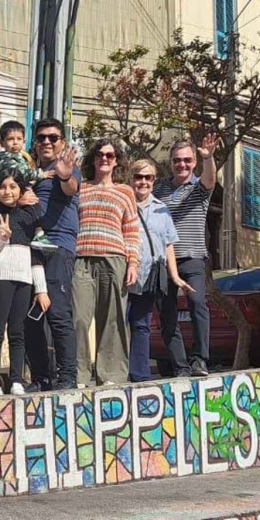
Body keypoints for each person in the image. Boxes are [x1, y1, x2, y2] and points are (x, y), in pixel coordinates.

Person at [73, 139, 142, 386]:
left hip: (115, 259)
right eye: (100, 154)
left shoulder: (125, 192)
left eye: (110, 155)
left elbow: (132, 230)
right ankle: (78, 374)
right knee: (79, 318)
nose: (105, 158)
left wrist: (133, 263)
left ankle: (110, 374)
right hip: (82, 259)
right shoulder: (80, 188)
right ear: (93, 159)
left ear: (117, 161)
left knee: (112, 319)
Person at [154, 134, 220, 376]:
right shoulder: (159, 188)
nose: (181, 165)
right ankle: (180, 365)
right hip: (161, 260)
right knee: (166, 313)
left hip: (192, 256)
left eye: (187, 160)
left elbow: (210, 179)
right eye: (176, 161)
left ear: (194, 162)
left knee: (197, 303)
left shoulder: (199, 188)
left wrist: (209, 158)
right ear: (170, 163)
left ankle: (200, 359)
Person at [125, 158, 190, 383]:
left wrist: (174, 275)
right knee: (121, 322)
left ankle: (140, 374)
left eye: (148, 178)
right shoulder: (123, 203)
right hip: (125, 272)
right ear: (130, 179)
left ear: (153, 181)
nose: (143, 182)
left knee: (143, 324)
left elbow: (168, 244)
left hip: (152, 275)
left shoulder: (161, 209)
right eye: (138, 177)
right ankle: (117, 371)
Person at [0, 171, 48, 395]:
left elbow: (37, 254)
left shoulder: (29, 216)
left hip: (24, 279)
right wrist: (2, 239)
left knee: (17, 332)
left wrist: (41, 289)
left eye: (13, 186)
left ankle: (16, 380)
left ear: (21, 190)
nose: (8, 191)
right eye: (2, 187)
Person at [29, 118, 80, 390]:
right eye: (41, 138)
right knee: (31, 316)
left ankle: (67, 376)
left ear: (62, 142)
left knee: (58, 313)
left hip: (58, 248)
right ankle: (41, 377)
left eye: (53, 137)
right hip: (31, 249)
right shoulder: (33, 173)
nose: (47, 142)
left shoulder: (67, 170)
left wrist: (64, 174)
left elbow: (70, 187)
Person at [0, 120, 37, 188]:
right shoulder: (4, 158)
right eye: (10, 139)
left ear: (23, 141)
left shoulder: (22, 156)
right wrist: (41, 174)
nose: (15, 142)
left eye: (19, 139)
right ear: (1, 143)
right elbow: (21, 174)